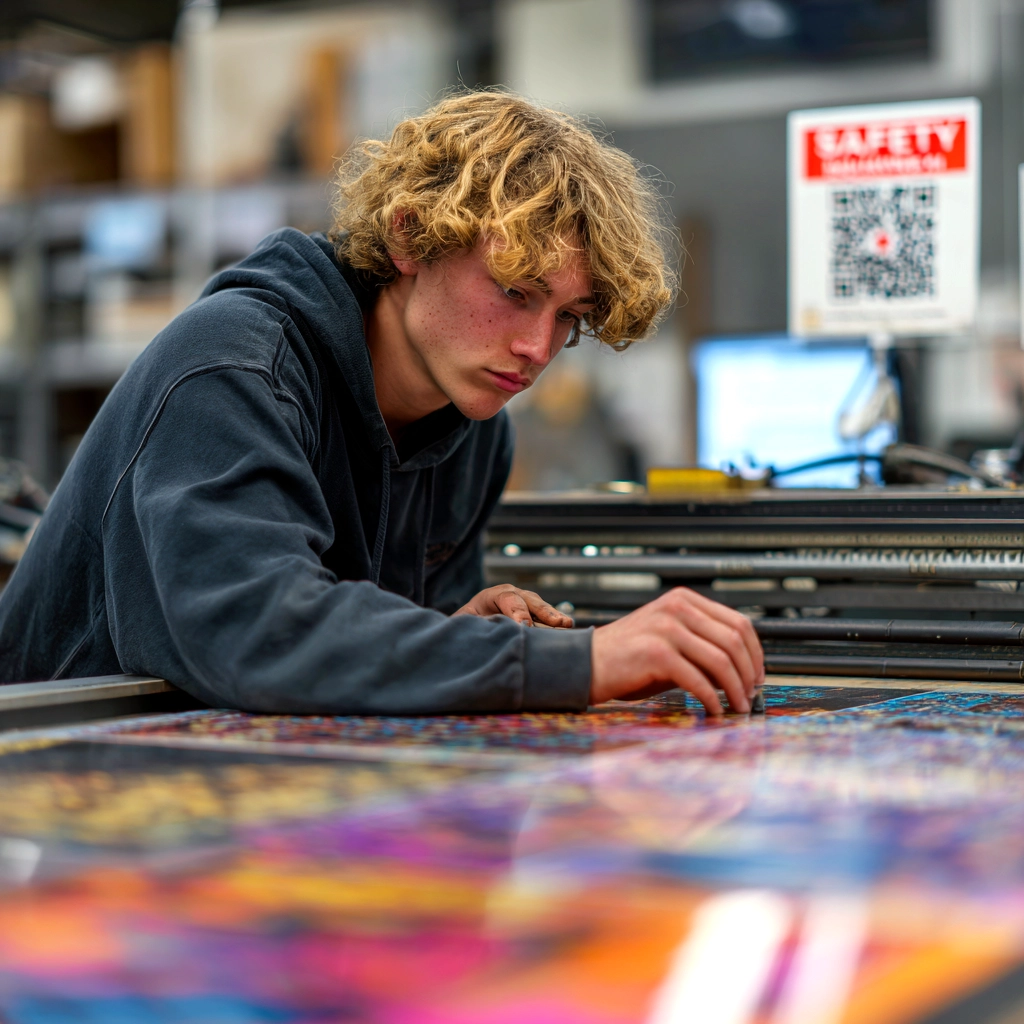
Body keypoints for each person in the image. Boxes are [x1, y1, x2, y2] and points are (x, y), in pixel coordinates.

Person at [0, 91, 762, 715]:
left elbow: (365, 653)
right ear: (408, 238)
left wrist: (461, 632)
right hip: (58, 781)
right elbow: (259, 632)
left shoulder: (472, 424)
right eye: (515, 291)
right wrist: (577, 661)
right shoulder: (235, 367)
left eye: (568, 316)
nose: (538, 348)